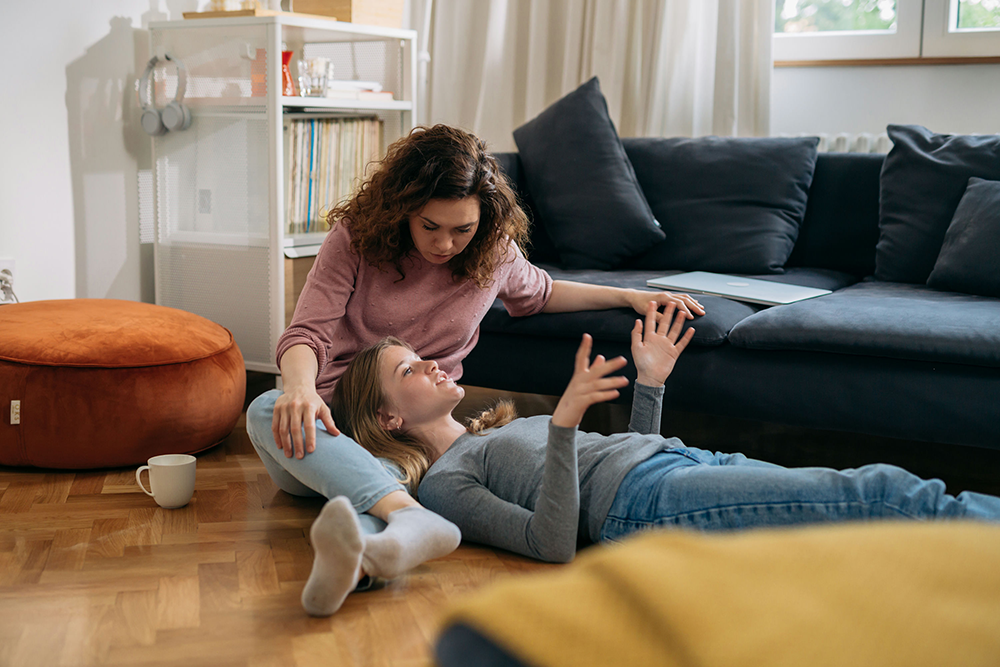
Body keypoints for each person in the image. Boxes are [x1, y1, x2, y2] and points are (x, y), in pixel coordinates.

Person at [245, 124, 705, 614]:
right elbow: (306, 333)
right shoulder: (356, 238)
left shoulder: (493, 251)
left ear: (482, 221)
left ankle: (366, 557)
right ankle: (406, 514)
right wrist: (300, 389)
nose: (445, 244)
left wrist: (631, 296)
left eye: (461, 230)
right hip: (331, 426)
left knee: (389, 479)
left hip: (414, 445)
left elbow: (541, 293)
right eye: (430, 226)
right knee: (265, 408)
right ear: (403, 208)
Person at [328, 300, 1000, 564]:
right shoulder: (446, 485)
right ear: (389, 418)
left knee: (873, 510)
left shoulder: (495, 426)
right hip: (651, 503)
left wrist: (650, 385)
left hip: (673, 465)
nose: (434, 364)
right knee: (878, 494)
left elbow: (627, 451)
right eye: (410, 368)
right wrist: (564, 425)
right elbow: (554, 541)